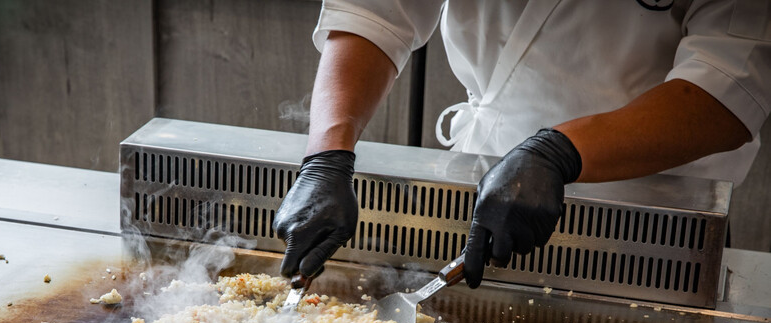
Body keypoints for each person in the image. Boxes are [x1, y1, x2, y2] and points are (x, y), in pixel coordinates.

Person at [273, 0, 771, 288]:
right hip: (482, 180)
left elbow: (732, 81)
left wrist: (558, 152)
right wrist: (327, 157)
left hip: (656, 217)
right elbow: (376, 11)